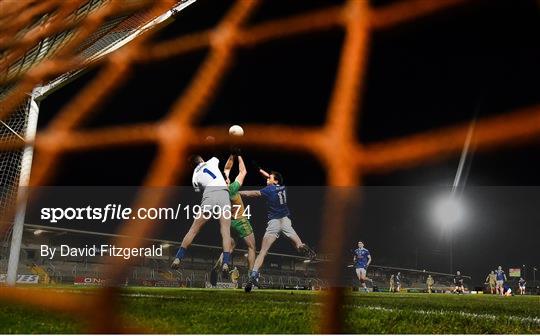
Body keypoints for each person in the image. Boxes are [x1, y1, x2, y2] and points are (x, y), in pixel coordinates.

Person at [240, 168, 316, 292]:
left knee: (263, 251)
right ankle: (303, 246)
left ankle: (253, 276)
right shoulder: (283, 187)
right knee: (298, 245)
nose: (267, 179)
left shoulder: (269, 190)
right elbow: (274, 180)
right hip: (286, 221)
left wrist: (238, 193)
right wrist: (267, 175)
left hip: (274, 222)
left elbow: (251, 194)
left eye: (269, 178)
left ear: (275, 181)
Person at [171, 155, 233, 275]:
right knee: (226, 231)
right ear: (201, 159)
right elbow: (226, 163)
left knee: (193, 229)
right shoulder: (213, 161)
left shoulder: (194, 176)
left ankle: (178, 258)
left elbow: (198, 191)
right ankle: (225, 263)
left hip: (209, 194)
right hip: (223, 192)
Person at [214, 154, 257, 273]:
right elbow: (243, 171)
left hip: (229, 222)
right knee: (252, 247)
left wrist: (231, 156)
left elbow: (226, 169)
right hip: (240, 221)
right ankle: (251, 276)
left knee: (230, 247)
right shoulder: (232, 188)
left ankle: (221, 265)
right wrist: (238, 155)